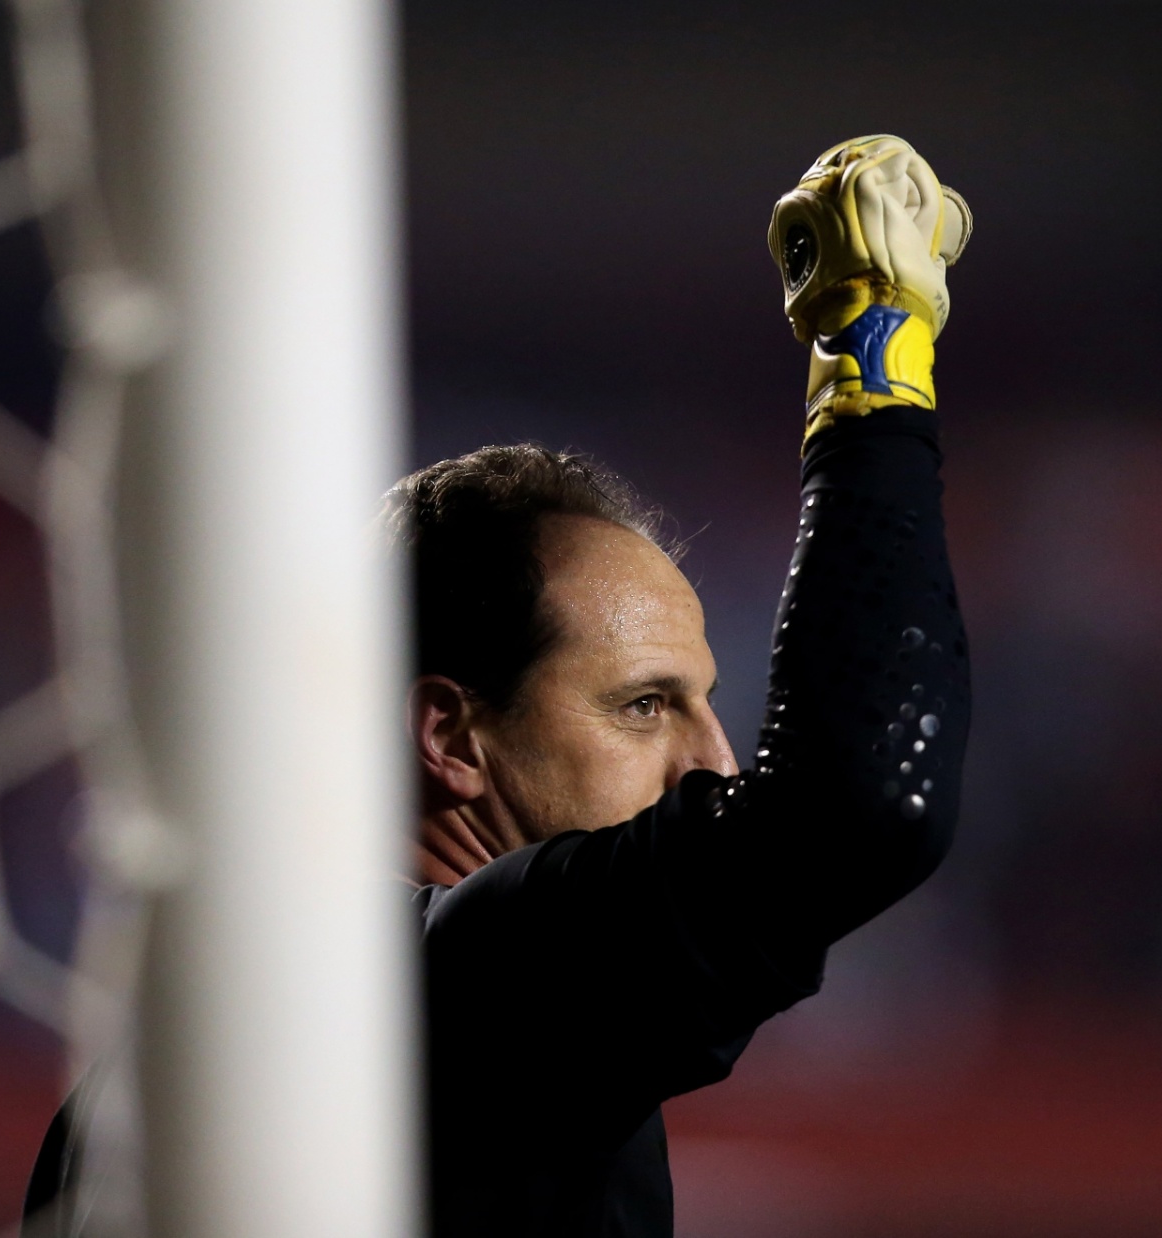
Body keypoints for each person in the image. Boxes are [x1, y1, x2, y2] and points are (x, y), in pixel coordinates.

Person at [392, 135, 974, 1237]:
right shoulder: (473, 981)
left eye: (705, 701)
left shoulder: (186, 1048)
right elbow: (857, 800)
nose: (716, 758)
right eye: (644, 704)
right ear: (452, 737)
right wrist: (873, 367)